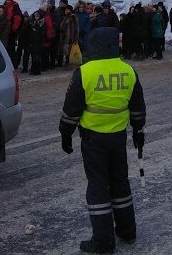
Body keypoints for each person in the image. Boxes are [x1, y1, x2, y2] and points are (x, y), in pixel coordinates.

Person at [59, 27, 146, 253]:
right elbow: (138, 107)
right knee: (120, 183)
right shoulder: (128, 71)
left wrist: (65, 134)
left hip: (93, 140)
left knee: (98, 187)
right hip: (118, 137)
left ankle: (103, 241)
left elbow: (71, 109)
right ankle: (127, 230)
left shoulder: (85, 72)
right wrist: (138, 131)